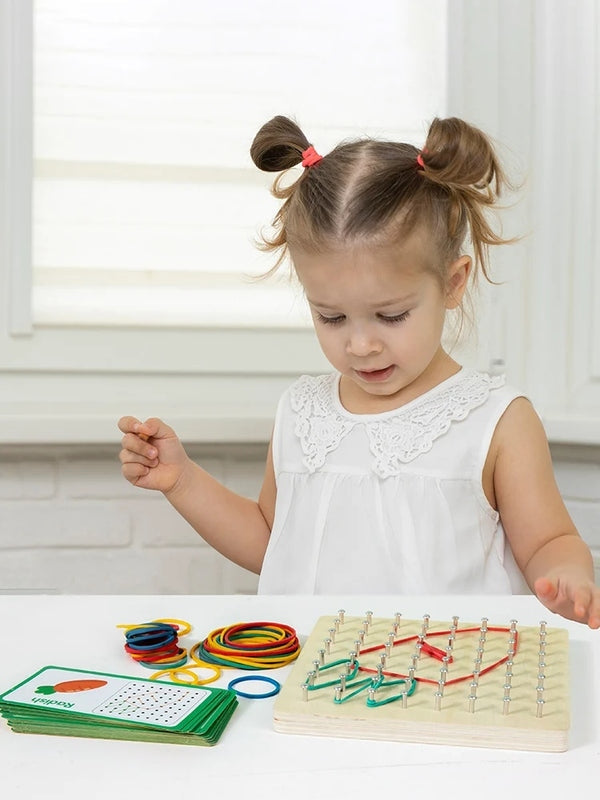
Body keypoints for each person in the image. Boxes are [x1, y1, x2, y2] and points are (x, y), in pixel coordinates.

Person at [119, 115, 600, 628]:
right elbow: (271, 542)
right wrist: (183, 481)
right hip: (309, 686)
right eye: (331, 317)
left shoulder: (496, 421)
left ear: (454, 283)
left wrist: (569, 577)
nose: (361, 344)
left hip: (443, 686)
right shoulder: (304, 412)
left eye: (392, 316)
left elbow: (549, 541)